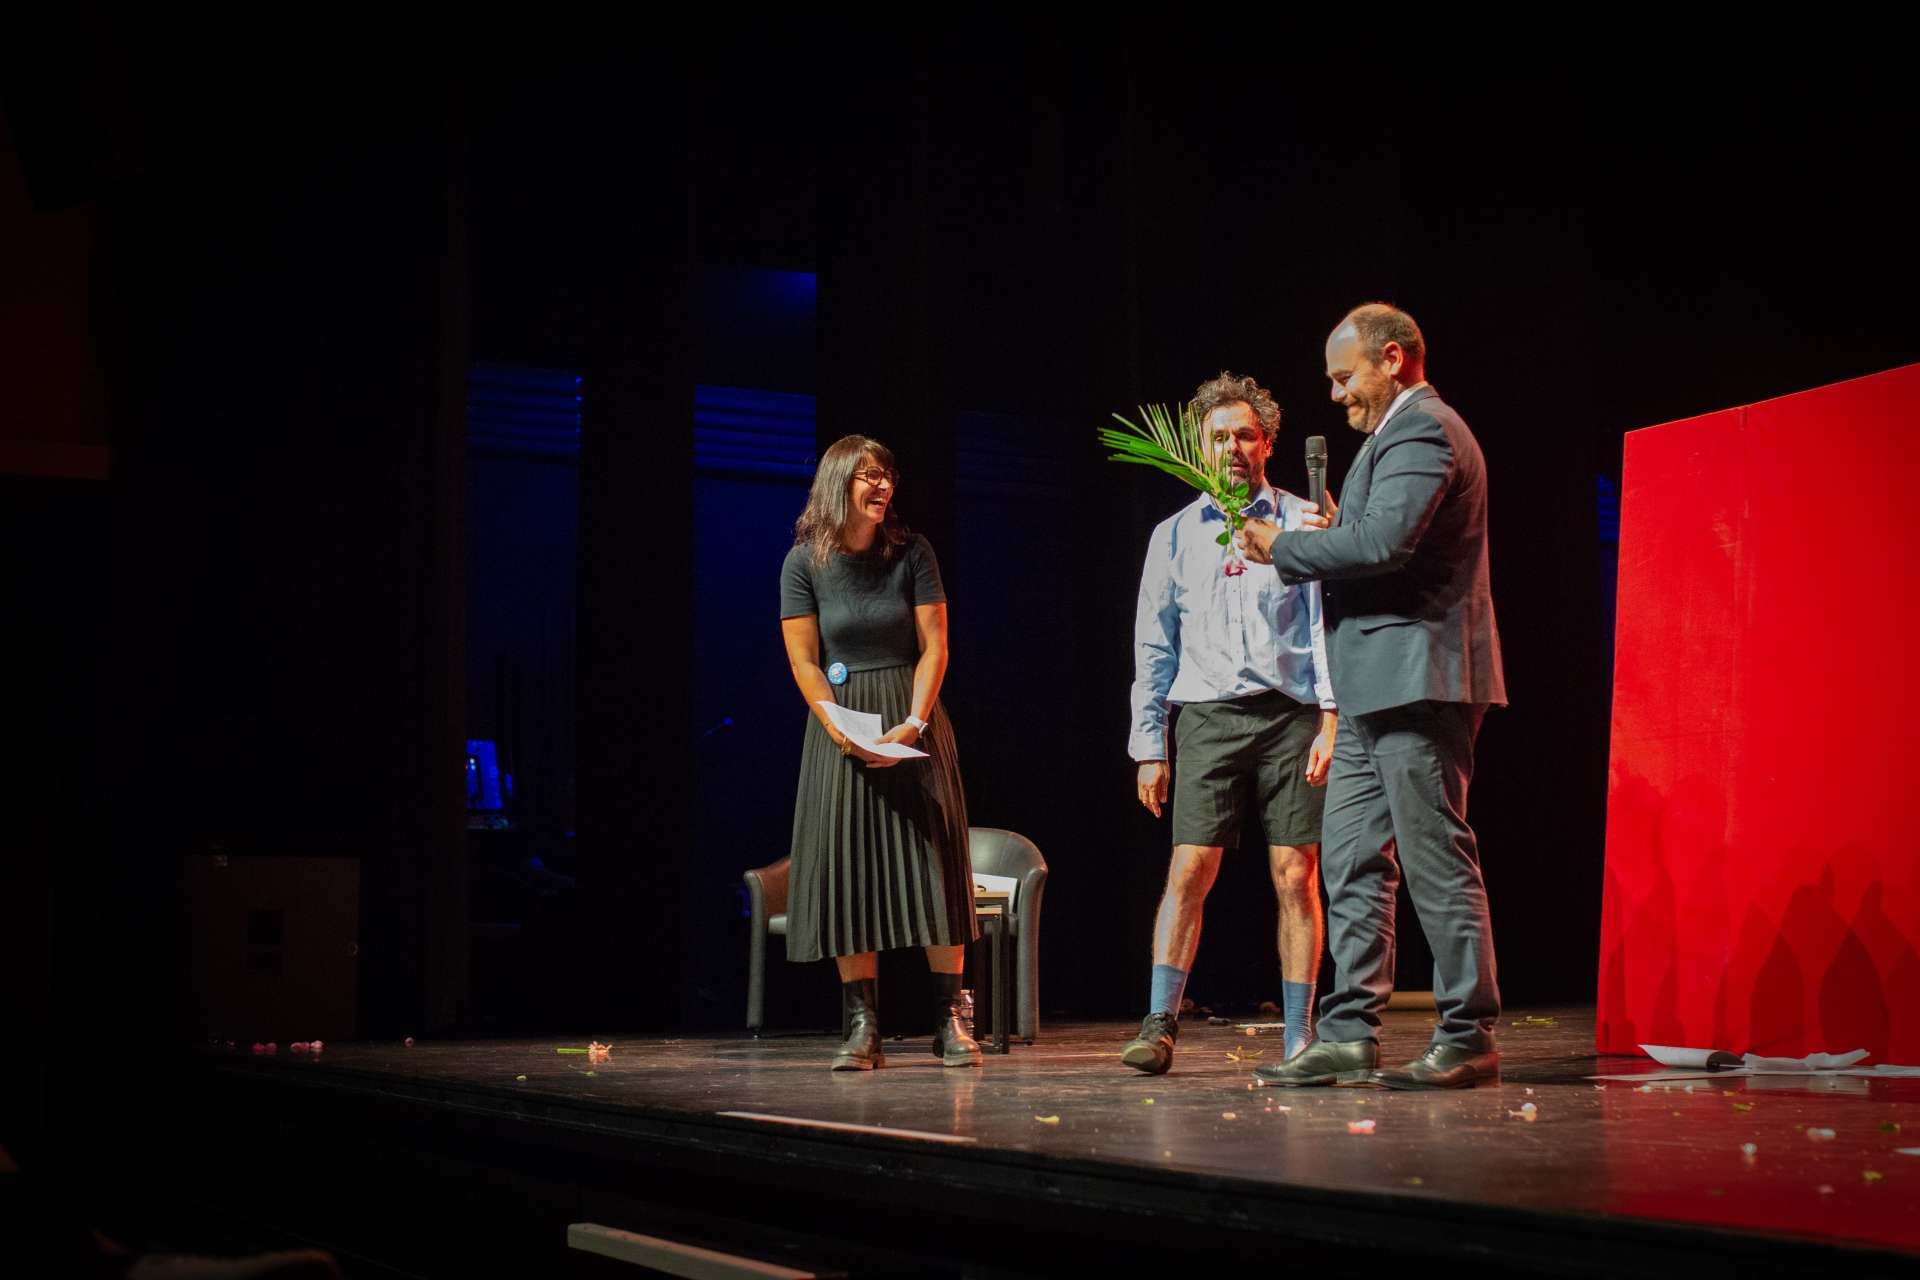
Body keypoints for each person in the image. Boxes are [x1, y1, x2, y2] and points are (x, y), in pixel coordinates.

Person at [1239, 304, 1507, 1090]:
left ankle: (1469, 1033)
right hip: (1368, 688)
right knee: (1353, 861)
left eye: (1344, 376)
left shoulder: (1424, 429)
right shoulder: (1390, 441)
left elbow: (1387, 545)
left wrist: (1286, 545)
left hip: (1417, 681)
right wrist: (1331, 533)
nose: (1335, 394)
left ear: (1392, 358)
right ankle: (1349, 1031)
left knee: (1434, 858)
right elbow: (1370, 541)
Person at [1121, 372, 1337, 1075]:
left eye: (1246, 434)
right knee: (1190, 868)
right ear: (1200, 448)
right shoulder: (1174, 536)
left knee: (1294, 873)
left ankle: (1299, 1036)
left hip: (1291, 714)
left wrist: (1332, 717)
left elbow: (1325, 627)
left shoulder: (1305, 520)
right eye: (1220, 436)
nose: (1234, 446)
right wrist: (1148, 746)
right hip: (1208, 714)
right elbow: (1152, 646)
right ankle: (1159, 1024)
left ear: (1268, 443)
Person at [778, 434, 982, 1071]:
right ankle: (863, 1025)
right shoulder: (803, 564)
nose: (882, 485)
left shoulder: (912, 552)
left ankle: (950, 1018)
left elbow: (936, 647)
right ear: (837, 484)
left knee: (935, 867)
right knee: (848, 872)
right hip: (839, 729)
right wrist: (840, 729)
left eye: (887, 475)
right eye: (867, 475)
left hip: (912, 719)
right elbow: (805, 661)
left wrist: (914, 723)